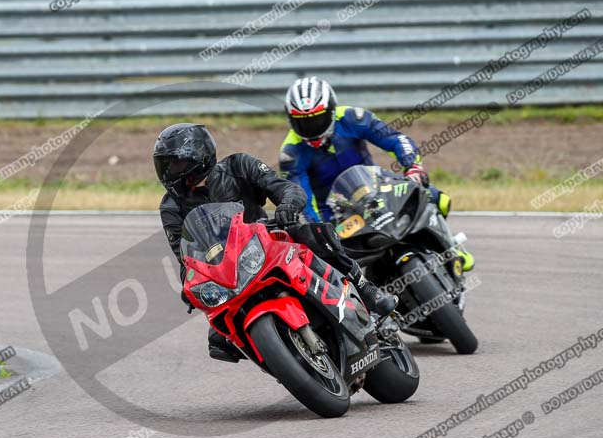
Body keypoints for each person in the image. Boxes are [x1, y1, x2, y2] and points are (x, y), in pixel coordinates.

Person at [154, 123, 398, 363]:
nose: (169, 171)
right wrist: (189, 285)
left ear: (200, 156)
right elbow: (184, 254)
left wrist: (288, 206)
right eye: (165, 165)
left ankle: (366, 290)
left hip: (265, 242)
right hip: (228, 270)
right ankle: (280, 356)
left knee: (313, 234)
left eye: (176, 163)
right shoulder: (171, 206)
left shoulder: (239, 165)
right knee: (219, 340)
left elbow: (286, 188)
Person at [280, 76, 474, 271]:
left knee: (438, 199)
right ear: (291, 119)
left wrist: (412, 167)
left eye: (318, 118)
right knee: (323, 258)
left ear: (331, 110)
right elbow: (302, 199)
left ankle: (451, 248)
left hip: (374, 189)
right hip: (335, 214)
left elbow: (396, 140)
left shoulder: (351, 118)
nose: (312, 128)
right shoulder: (291, 153)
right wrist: (318, 228)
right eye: (303, 122)